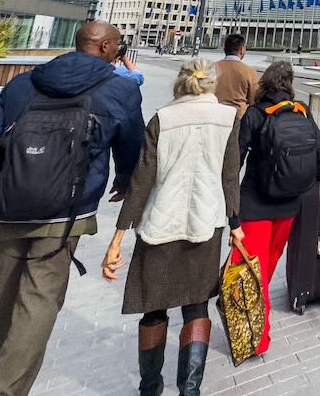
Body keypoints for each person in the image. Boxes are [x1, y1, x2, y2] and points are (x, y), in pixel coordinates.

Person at [0, 20, 145, 396]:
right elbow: (131, 145)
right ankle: (0, 390)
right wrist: (124, 182)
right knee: (38, 302)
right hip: (66, 215)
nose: (121, 50)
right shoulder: (119, 89)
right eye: (118, 44)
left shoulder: (24, 84)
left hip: (8, 207)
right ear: (105, 48)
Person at [102, 59, 240, 396]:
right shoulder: (227, 119)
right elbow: (230, 178)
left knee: (153, 307)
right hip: (206, 224)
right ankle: (189, 390)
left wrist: (117, 238)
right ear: (211, 84)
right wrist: (235, 225)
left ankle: (150, 387)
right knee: (196, 307)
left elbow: (141, 182)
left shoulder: (163, 118)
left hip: (159, 225)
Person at [231, 60, 320, 355]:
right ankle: (254, 312)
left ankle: (257, 338)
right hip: (289, 203)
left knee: (249, 269)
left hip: (256, 204)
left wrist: (230, 207)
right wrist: (309, 181)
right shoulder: (301, 111)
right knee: (268, 264)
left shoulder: (255, 115)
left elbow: (235, 160)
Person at [215, 33, 258, 118]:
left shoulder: (212, 68)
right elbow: (254, 100)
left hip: (214, 114)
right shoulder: (249, 72)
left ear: (225, 49)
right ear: (242, 49)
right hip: (238, 117)